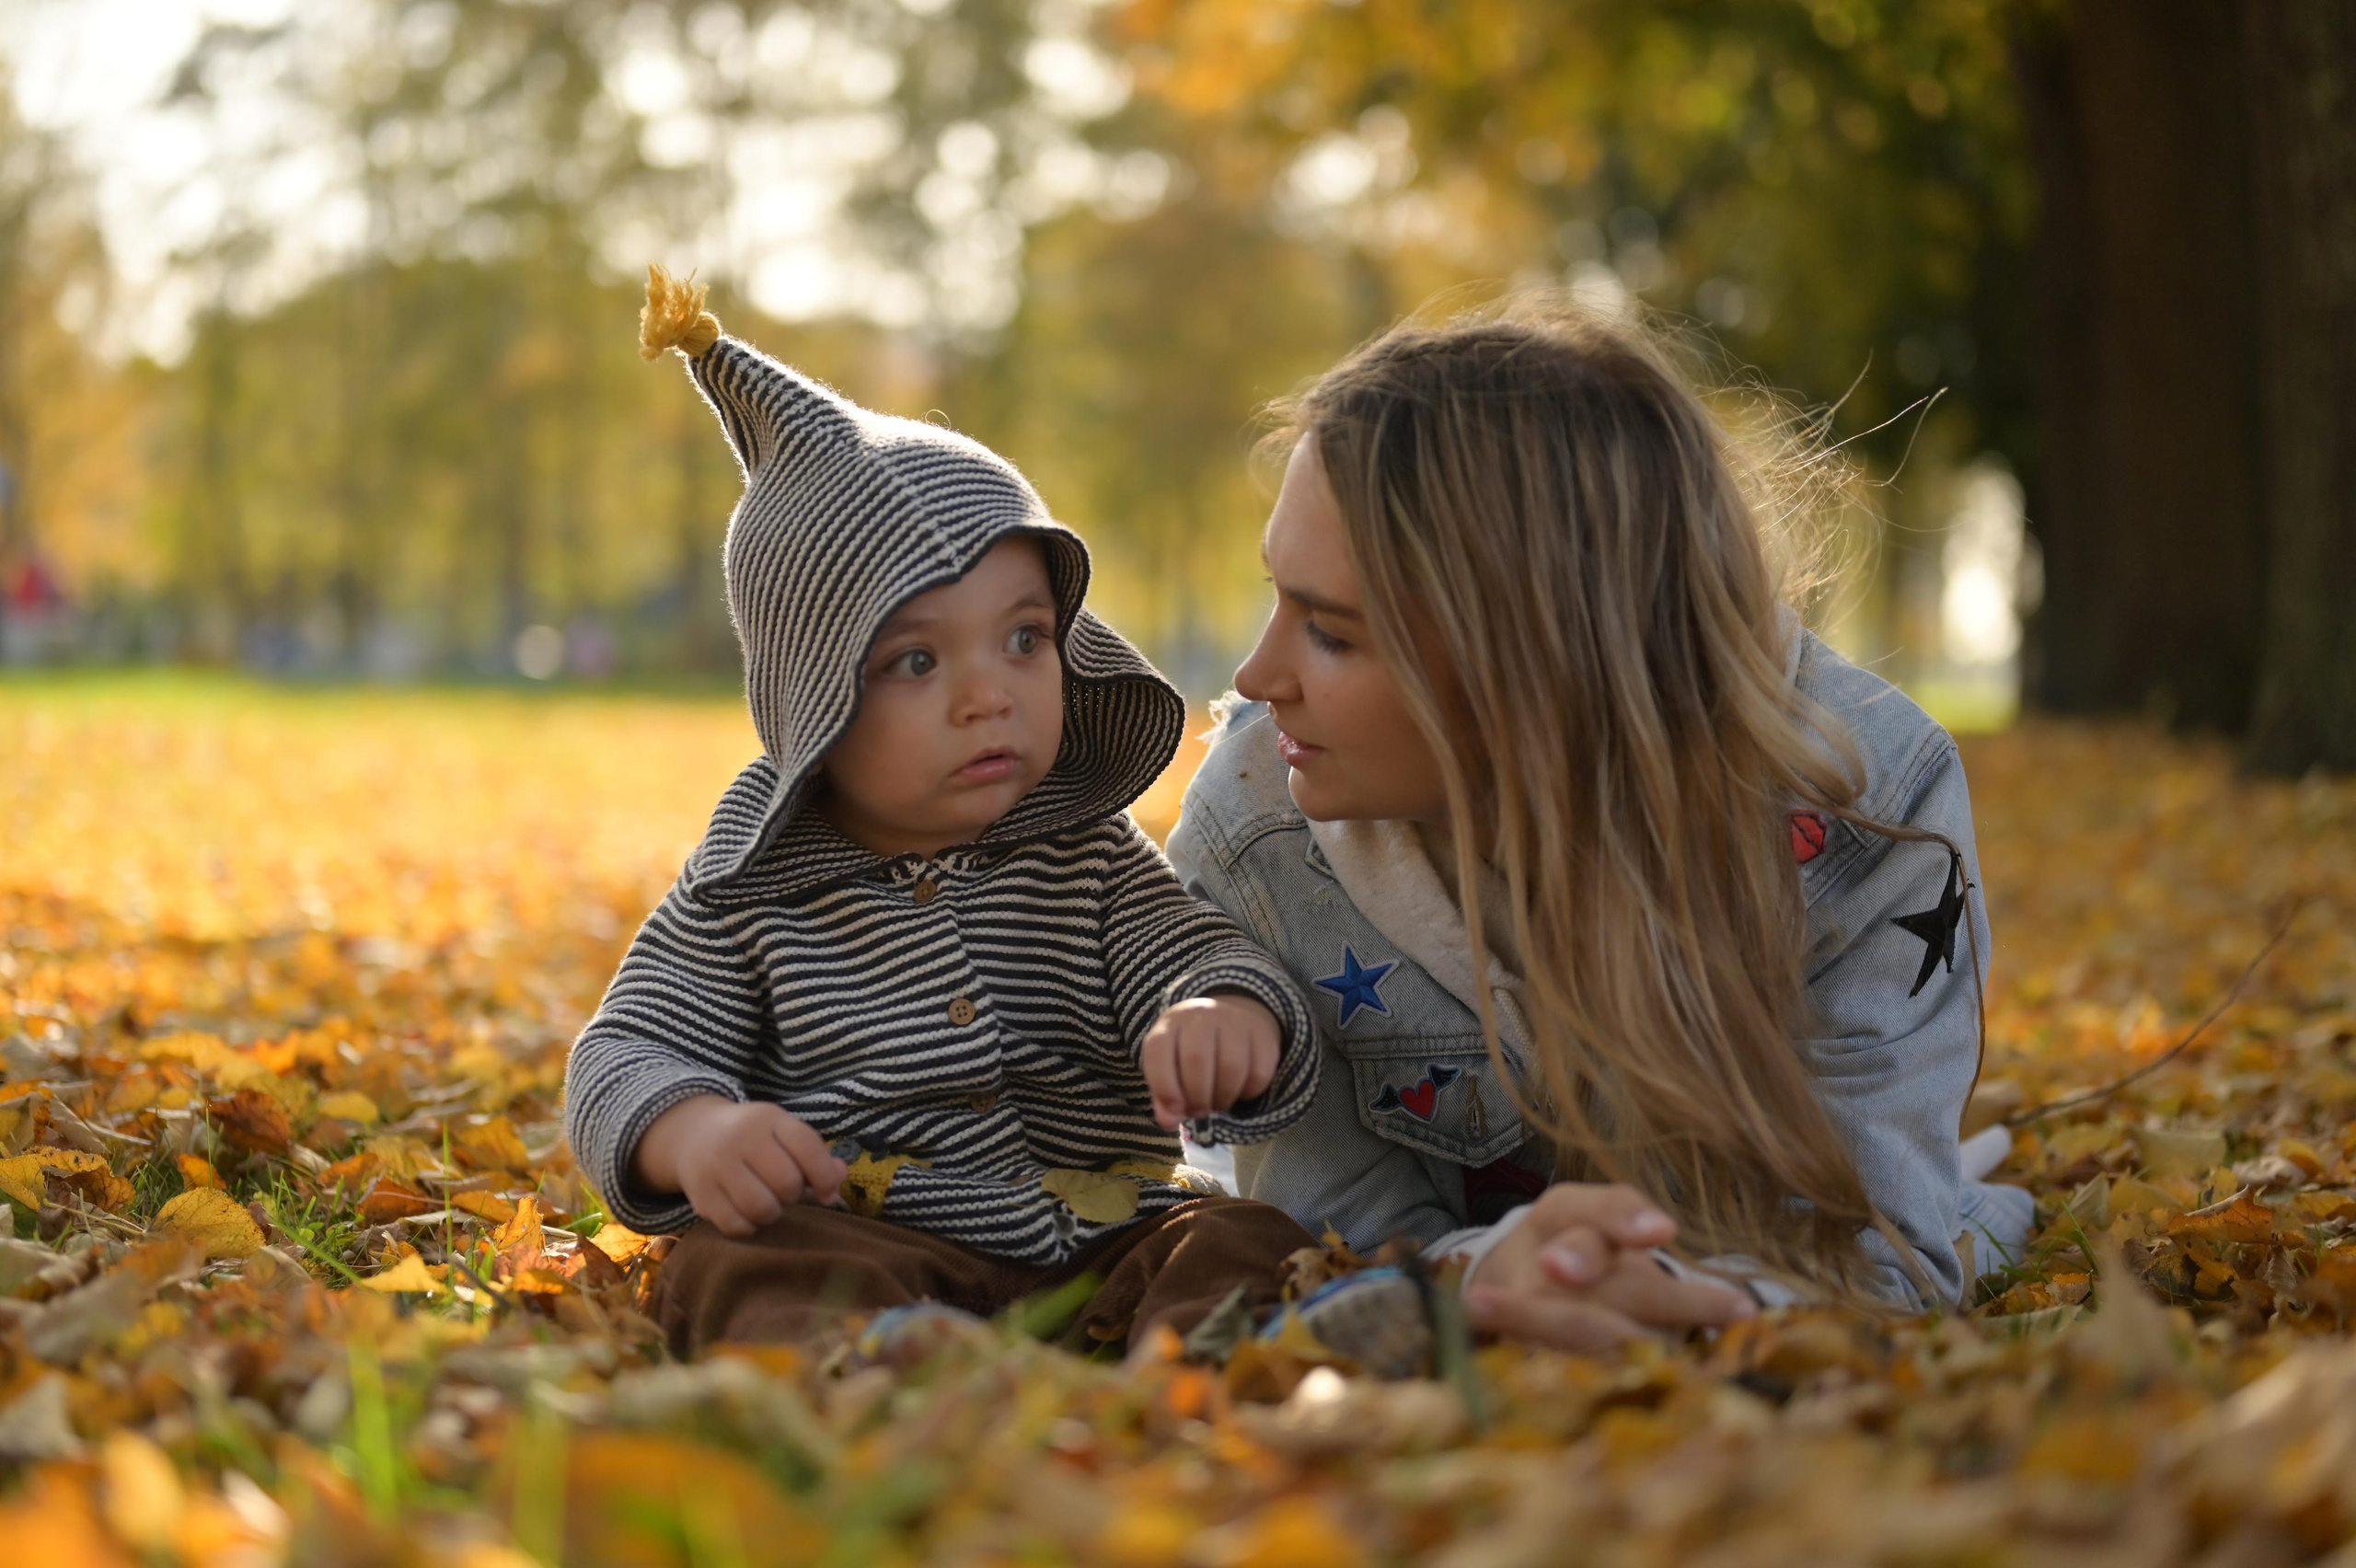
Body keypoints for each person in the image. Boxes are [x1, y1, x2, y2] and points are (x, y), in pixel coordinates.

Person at [1164, 301, 2036, 1353]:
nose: (1257, 678)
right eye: (1276, 598)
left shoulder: (1864, 808)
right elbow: (1334, 1248)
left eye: (1332, 635)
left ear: (1528, 662)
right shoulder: (1257, 832)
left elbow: (1885, 1251)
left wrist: (1676, 1295)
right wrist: (1501, 1279)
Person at [563, 268, 1324, 1358]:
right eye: (916, 660)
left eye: (1022, 639)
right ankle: (880, 1370)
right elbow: (628, 1045)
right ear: (813, 698)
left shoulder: (1085, 852)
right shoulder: (749, 888)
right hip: (869, 1235)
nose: (990, 693)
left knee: (1243, 1237)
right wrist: (693, 1133)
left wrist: (1223, 1012)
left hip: (1095, 1234)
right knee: (741, 1266)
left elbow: (1188, 949)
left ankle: (1208, 1367)